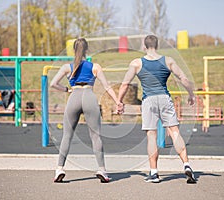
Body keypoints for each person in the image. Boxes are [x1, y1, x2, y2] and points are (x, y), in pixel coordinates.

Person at [117, 35, 197, 184]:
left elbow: (125, 84)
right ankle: (186, 164)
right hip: (165, 98)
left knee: (151, 136)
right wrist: (191, 95)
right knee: (174, 132)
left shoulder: (136, 63)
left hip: (149, 101)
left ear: (144, 46)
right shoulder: (168, 60)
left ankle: (154, 173)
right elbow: (184, 79)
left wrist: (119, 101)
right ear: (157, 45)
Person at [50, 38, 122, 183]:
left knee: (67, 136)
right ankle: (102, 170)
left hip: (74, 97)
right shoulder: (95, 66)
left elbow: (53, 84)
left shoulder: (67, 67)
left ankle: (59, 169)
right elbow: (107, 87)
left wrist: (66, 89)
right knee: (96, 136)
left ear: (73, 50)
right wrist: (118, 102)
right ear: (87, 50)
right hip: (89, 97)